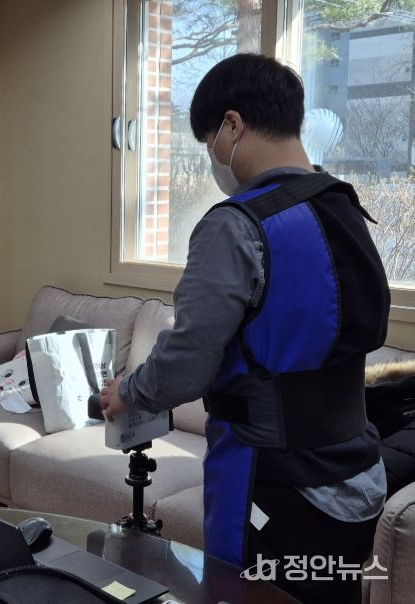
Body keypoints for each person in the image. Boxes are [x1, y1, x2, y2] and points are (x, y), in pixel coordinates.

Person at [99, 53, 391, 603]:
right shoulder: (344, 207)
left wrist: (130, 392)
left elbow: (186, 362)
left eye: (209, 140)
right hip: (354, 472)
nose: (213, 156)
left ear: (232, 125)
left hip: (272, 478)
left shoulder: (236, 224)